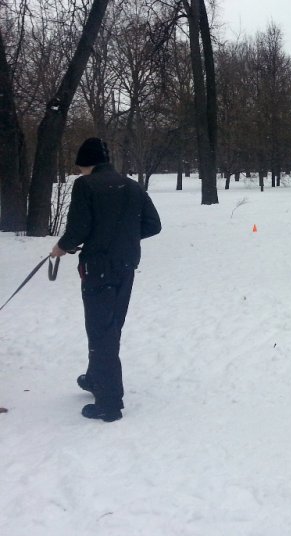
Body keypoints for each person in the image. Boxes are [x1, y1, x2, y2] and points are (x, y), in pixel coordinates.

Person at [51, 137, 161, 422]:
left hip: (98, 266)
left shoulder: (85, 185)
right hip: (126, 265)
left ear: (86, 164)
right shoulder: (132, 185)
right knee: (110, 326)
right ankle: (95, 377)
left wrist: (62, 247)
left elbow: (79, 228)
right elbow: (153, 224)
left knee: (101, 330)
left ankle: (109, 403)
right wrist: (122, 238)